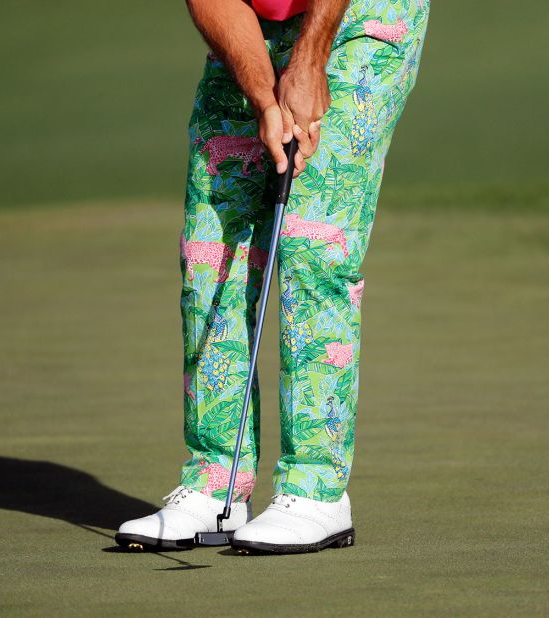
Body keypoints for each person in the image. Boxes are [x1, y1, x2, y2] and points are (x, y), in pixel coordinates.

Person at [118, 0, 429, 554]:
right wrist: (263, 96)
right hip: (257, 25)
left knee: (313, 241)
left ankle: (317, 491)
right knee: (212, 247)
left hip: (363, 15)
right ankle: (216, 481)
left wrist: (309, 63)